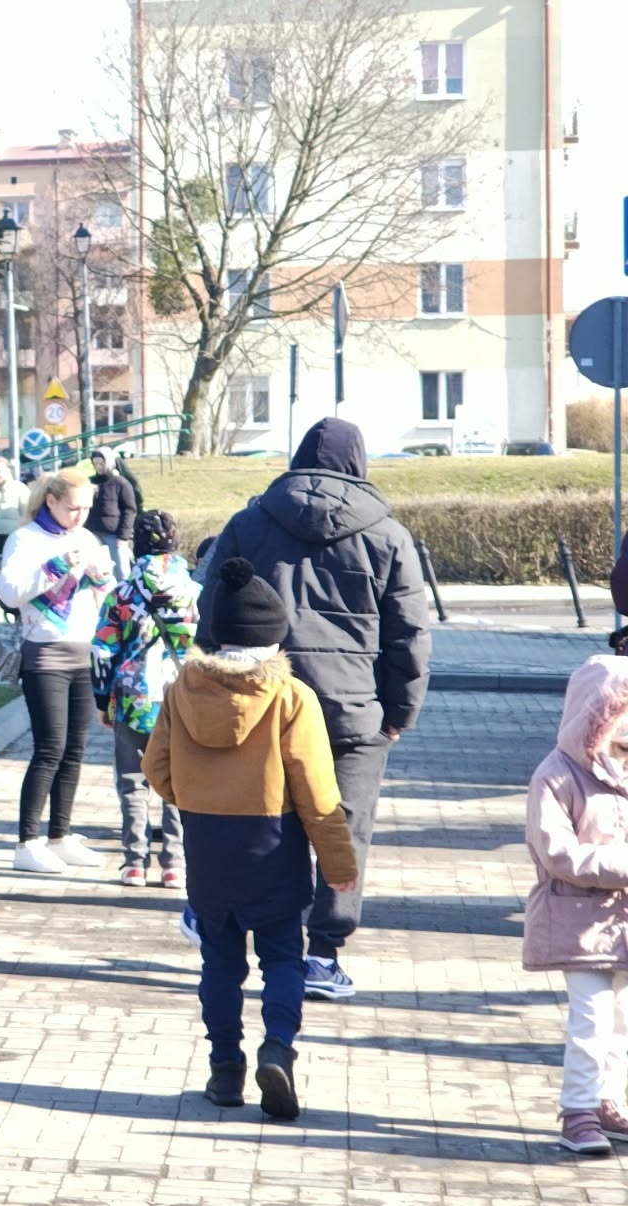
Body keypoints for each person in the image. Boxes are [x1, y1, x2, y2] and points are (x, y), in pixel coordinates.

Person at [200, 417, 430, 1001]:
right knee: (343, 826)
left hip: (264, 701)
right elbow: (408, 635)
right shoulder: (389, 536)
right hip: (353, 711)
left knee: (262, 819)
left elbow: (213, 609)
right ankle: (323, 954)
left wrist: (214, 686)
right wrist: (399, 711)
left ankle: (246, 931)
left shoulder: (249, 523)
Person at [143, 558, 357, 1121]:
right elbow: (317, 791)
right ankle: (277, 1047)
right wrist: (338, 863)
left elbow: (156, 768)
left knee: (218, 961)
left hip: (207, 847)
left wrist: (195, 796)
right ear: (273, 635)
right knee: (283, 956)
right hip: (273, 845)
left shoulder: (180, 690)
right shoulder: (291, 696)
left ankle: (224, 1069)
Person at [523, 654, 628, 1155]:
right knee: (592, 1016)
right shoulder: (556, 774)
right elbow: (557, 852)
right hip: (578, 920)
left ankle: (609, 1100)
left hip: (622, 922)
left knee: (623, 1020)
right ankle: (578, 1110)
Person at [0, 463, 116, 874]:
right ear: (51, 501)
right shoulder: (25, 539)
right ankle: (26, 842)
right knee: (50, 748)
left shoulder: (85, 538)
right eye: (72, 508)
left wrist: (102, 579)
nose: (80, 516)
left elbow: (106, 600)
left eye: (86, 509)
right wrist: (55, 567)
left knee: (75, 749)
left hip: (83, 651)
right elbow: (10, 593)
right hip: (45, 654)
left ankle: (60, 836)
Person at [92, 509, 200, 889]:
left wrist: (102, 700)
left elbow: (102, 650)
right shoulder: (194, 592)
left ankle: (135, 862)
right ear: (175, 543)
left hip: (131, 698)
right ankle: (175, 865)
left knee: (132, 781)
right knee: (179, 781)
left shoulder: (121, 595)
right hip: (181, 698)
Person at [86, 448, 137, 577]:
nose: (99, 467)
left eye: (101, 463)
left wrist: (123, 536)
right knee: (96, 572)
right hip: (93, 534)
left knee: (121, 573)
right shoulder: (90, 482)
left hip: (114, 536)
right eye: (96, 464)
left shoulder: (121, 483)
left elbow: (129, 510)